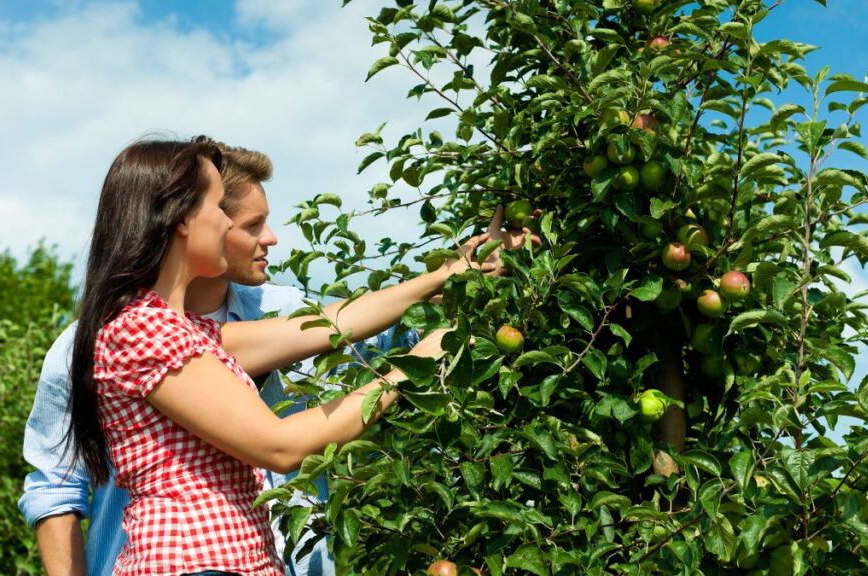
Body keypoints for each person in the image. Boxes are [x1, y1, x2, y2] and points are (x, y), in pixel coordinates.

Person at [67, 136, 532, 575]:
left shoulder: (181, 329)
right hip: (191, 562)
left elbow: (328, 326)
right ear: (182, 218)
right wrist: (407, 373)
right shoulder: (141, 329)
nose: (229, 223)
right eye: (217, 209)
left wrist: (449, 273)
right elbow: (280, 446)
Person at [20, 142, 396, 576]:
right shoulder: (96, 340)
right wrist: (403, 375)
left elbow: (363, 333)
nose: (271, 238)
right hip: (178, 558)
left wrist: (450, 282)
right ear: (187, 221)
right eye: (248, 223)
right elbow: (56, 487)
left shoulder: (277, 310)